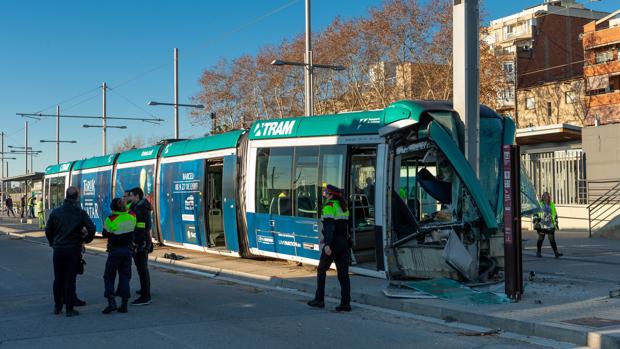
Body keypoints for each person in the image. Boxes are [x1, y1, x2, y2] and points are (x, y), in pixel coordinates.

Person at [45, 186, 96, 317]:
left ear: (66, 196)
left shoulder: (56, 212)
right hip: (73, 250)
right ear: (77, 197)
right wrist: (86, 239)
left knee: (58, 279)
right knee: (70, 279)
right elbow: (91, 228)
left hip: (58, 249)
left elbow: (48, 230)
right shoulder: (80, 213)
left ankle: (57, 307)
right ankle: (69, 309)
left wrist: (53, 243)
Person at [308, 184, 351, 312]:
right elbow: (344, 228)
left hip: (333, 243)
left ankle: (319, 300)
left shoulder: (329, 207)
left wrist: (327, 244)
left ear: (331, 195)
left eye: (327, 192)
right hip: (344, 243)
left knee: (321, 270)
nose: (325, 194)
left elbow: (329, 227)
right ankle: (345, 303)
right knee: (343, 274)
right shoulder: (344, 207)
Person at [102, 198, 136, 314]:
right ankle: (124, 304)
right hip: (127, 251)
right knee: (125, 276)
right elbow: (130, 209)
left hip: (115, 251)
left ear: (112, 208)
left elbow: (105, 233)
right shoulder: (132, 217)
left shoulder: (111, 219)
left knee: (109, 276)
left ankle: (111, 302)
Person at [127, 187, 153, 305]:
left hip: (141, 242)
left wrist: (136, 243)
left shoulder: (140, 209)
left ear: (137, 196)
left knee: (142, 268)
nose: (129, 198)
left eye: (131, 196)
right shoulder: (138, 207)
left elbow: (140, 227)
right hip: (143, 241)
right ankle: (144, 289)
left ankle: (145, 296)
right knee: (141, 268)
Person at [534, 192, 563, 258]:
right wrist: (536, 221)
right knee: (541, 238)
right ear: (542, 197)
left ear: (549, 197)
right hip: (542, 224)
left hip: (550, 224)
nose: (545, 197)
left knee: (552, 239)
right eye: (544, 196)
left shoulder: (551, 204)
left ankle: (556, 253)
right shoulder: (540, 204)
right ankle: (538, 252)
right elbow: (535, 213)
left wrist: (555, 222)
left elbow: (555, 213)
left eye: (546, 196)